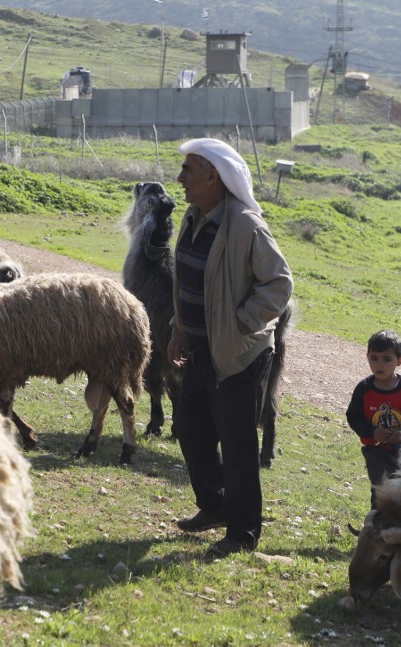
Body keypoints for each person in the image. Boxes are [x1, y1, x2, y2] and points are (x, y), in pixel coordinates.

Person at [169, 137, 293, 557]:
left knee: (238, 445)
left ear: (213, 176)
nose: (180, 178)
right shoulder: (194, 217)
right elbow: (187, 279)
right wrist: (179, 328)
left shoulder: (245, 226)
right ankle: (215, 506)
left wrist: (240, 324)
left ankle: (243, 532)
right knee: (189, 428)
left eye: (188, 170)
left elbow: (279, 285)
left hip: (240, 356)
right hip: (202, 350)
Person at [345, 330, 401, 509]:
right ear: (367, 357)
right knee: (380, 488)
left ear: (399, 361)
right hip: (375, 451)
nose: (379, 364)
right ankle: (375, 526)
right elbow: (353, 417)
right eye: (374, 358)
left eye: (387, 359)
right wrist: (372, 432)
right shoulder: (364, 389)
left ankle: (400, 529)